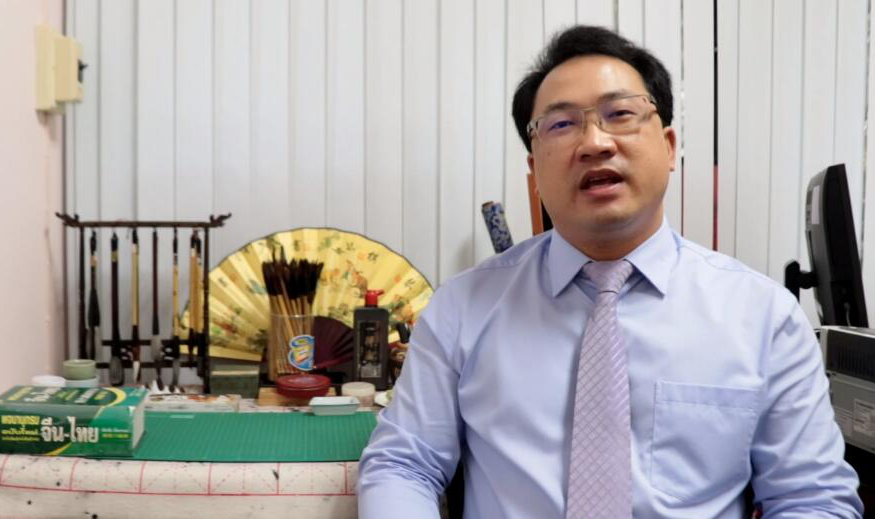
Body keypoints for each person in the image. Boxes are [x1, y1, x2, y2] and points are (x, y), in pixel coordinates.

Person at [357, 25, 863, 518]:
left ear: (669, 146)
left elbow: (812, 498)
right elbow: (404, 464)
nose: (595, 143)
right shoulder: (464, 307)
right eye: (561, 124)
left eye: (620, 114)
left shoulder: (763, 316)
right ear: (534, 171)